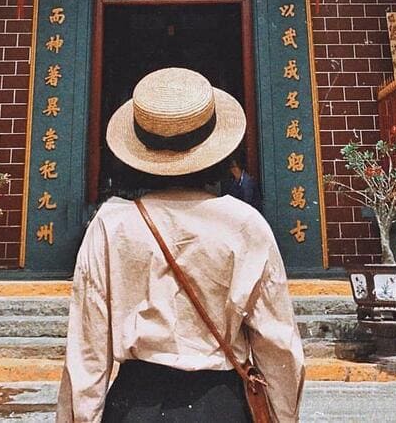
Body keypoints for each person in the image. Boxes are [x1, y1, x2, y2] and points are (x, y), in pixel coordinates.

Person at [56, 67, 304, 423]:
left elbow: (87, 349)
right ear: (216, 148)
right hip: (222, 406)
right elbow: (278, 346)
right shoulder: (245, 225)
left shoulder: (111, 225)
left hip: (134, 406)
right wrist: (283, 416)